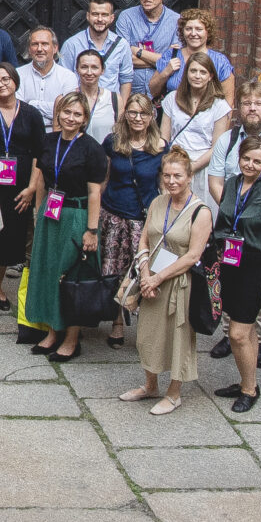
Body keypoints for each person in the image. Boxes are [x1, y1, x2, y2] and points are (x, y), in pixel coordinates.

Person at [121, 149, 213, 416]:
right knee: (147, 334)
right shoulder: (158, 202)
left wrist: (158, 278)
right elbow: (144, 239)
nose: (172, 181)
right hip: (151, 276)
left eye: (178, 176)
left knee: (178, 337)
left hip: (178, 282)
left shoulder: (201, 212)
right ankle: (150, 385)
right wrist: (145, 273)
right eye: (167, 175)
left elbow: (193, 256)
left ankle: (174, 393)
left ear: (189, 177)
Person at [211, 137, 261, 412]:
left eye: (257, 161)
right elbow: (223, 221)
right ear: (239, 157)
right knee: (246, 331)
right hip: (230, 262)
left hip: (255, 267)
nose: (250, 165)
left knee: (237, 333)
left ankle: (249, 390)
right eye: (246, 158)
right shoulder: (232, 184)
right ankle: (248, 381)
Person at [23, 91, 106, 360]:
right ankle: (52, 331)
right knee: (49, 272)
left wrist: (91, 230)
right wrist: (38, 213)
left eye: (77, 114)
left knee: (70, 276)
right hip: (51, 214)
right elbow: (41, 181)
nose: (71, 118)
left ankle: (71, 339)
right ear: (58, 114)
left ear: (85, 119)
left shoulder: (92, 148)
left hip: (76, 215)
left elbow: (95, 193)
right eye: (67, 112)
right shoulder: (48, 141)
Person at [0, 62, 46, 316]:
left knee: (8, 236)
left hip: (19, 188)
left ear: (15, 81)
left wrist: (32, 188)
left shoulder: (31, 114)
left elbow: (40, 153)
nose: (1, 84)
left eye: (5, 79)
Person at [97, 94, 166, 349]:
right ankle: (116, 323)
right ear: (125, 114)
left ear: (151, 116)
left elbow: (163, 186)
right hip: (113, 215)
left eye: (143, 113)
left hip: (143, 220)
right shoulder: (113, 141)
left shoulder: (160, 146)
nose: (137, 118)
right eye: (133, 113)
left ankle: (146, 325)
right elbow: (103, 178)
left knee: (141, 273)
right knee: (114, 272)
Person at [159, 55, 232, 192]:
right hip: (174, 165)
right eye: (193, 71)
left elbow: (216, 147)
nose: (197, 76)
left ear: (210, 76)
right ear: (186, 73)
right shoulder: (172, 99)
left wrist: (191, 168)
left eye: (203, 72)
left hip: (203, 166)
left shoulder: (219, 105)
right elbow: (164, 139)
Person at [61, 0, 134, 108]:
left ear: (112, 18)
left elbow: (126, 80)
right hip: (79, 108)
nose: (100, 19)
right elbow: (64, 79)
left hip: (110, 108)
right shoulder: (72, 44)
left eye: (104, 15)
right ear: (88, 16)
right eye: (95, 14)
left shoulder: (122, 45)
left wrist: (121, 110)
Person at [150, 9, 234, 106]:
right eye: (188, 29)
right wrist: (166, 72)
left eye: (199, 29)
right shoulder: (171, 55)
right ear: (182, 31)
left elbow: (228, 102)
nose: (193, 33)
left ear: (208, 32)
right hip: (173, 113)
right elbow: (153, 92)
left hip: (207, 114)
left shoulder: (219, 61)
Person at [113, 0, 180, 94]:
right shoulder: (126, 17)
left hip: (162, 92)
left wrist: (137, 51)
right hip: (130, 92)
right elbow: (122, 58)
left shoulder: (177, 21)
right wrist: (161, 61)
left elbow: (174, 61)